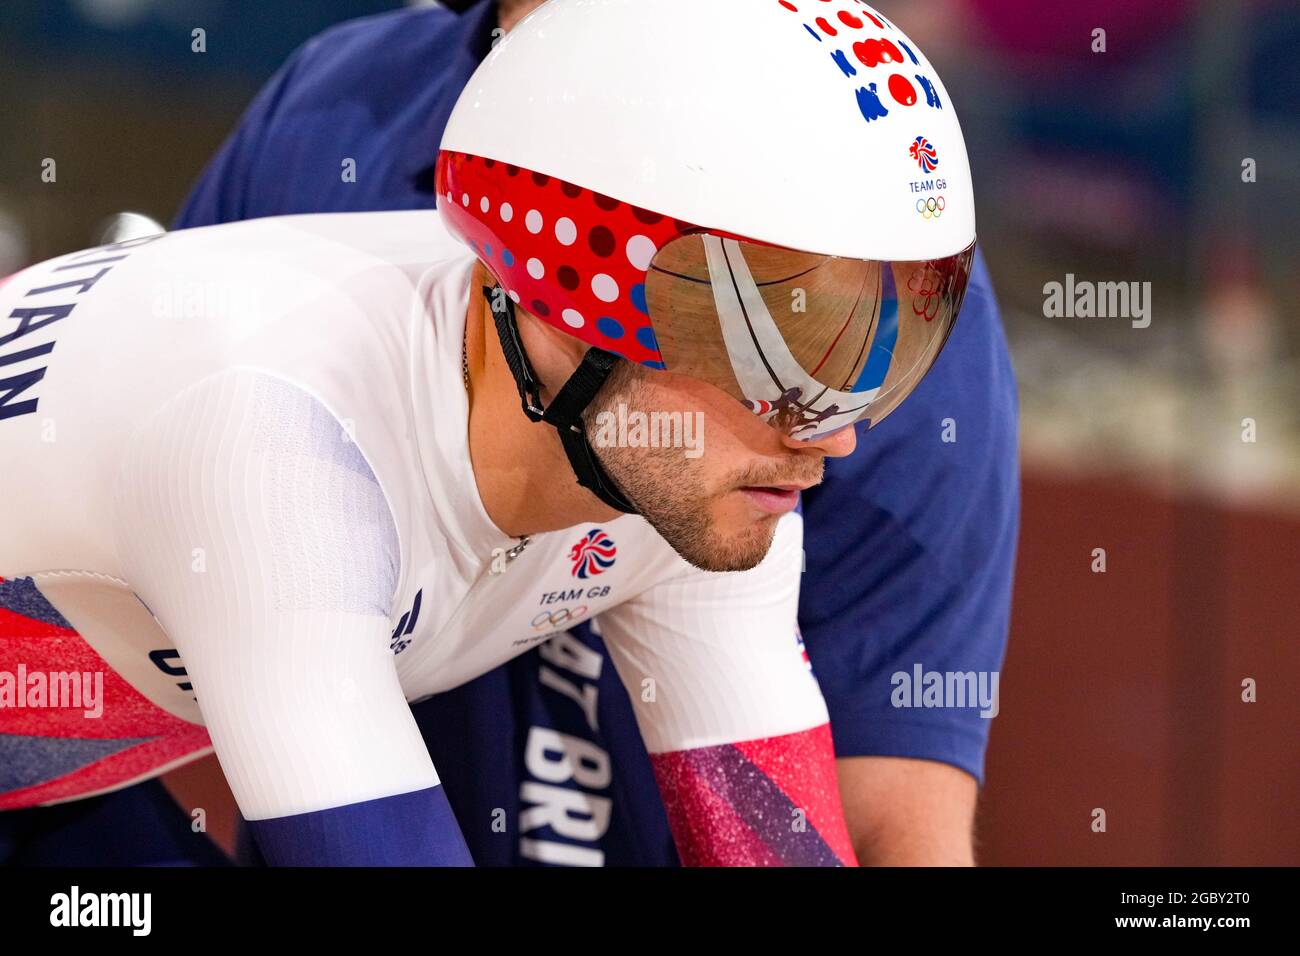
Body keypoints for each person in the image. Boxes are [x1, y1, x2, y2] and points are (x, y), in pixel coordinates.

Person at [1, 0, 1005, 867]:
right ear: (571, 303)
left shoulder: (688, 465)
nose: (835, 440)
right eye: (768, 343)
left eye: (890, 343)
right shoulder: (271, 447)